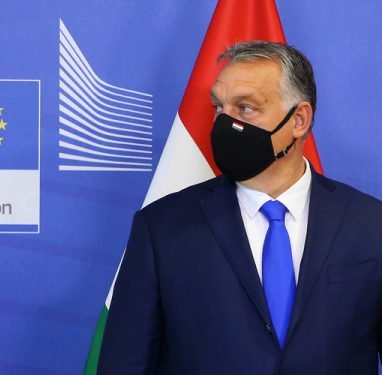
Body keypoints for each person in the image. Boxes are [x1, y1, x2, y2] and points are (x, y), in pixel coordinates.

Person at [98, 41, 382, 374]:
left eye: (245, 108)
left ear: (299, 119)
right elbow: (125, 364)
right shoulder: (162, 228)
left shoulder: (370, 225)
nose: (224, 123)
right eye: (220, 107)